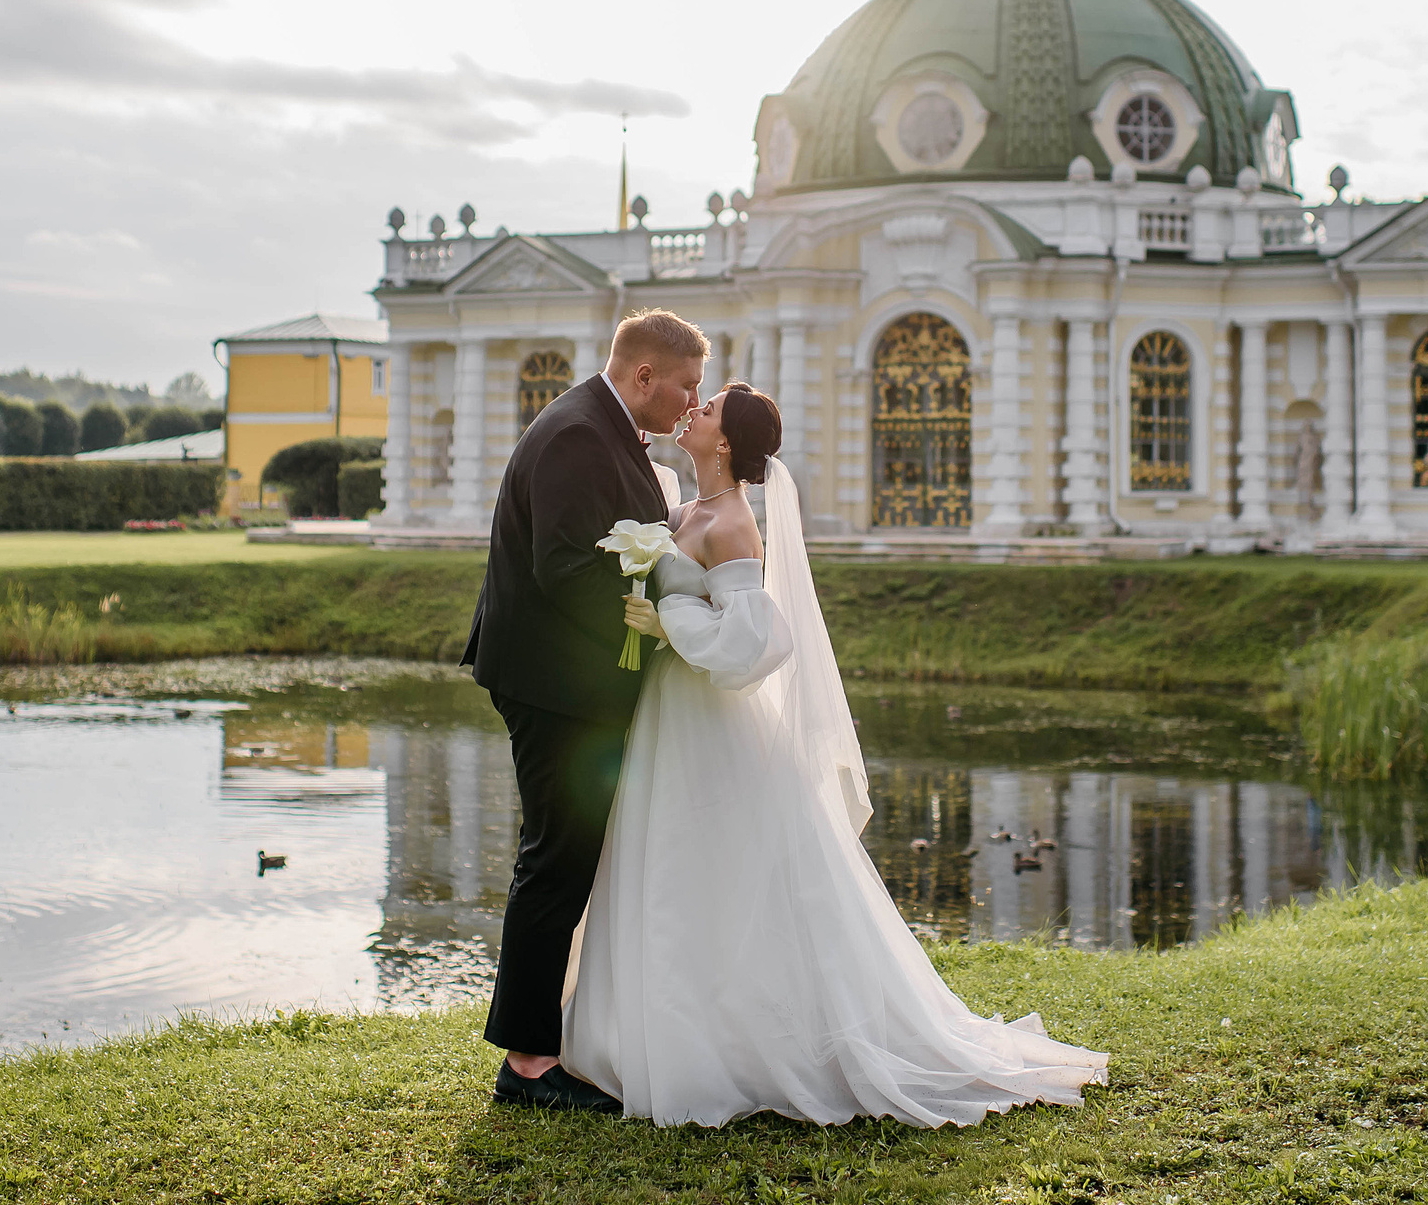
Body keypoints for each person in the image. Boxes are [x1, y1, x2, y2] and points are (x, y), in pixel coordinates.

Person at [561, 381, 1108, 1127]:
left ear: (724, 444)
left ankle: (727, 1048)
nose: (694, 410)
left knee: (717, 867)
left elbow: (759, 642)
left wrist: (670, 626)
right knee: (670, 863)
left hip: (709, 720)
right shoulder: (684, 511)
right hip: (669, 716)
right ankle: (646, 1034)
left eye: (710, 407)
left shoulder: (730, 524)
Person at [464, 308, 705, 1112]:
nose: (690, 402)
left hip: (574, 679)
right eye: (687, 386)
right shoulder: (575, 432)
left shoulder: (604, 426)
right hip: (551, 683)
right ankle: (529, 1064)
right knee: (556, 857)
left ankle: (548, 1039)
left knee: (570, 854)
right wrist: (652, 619)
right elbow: (565, 568)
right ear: (644, 377)